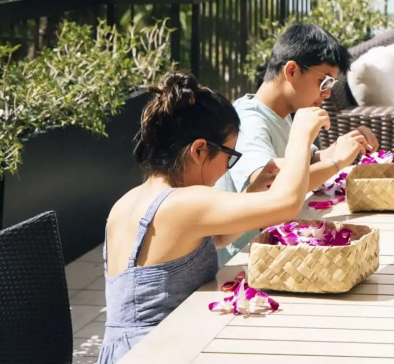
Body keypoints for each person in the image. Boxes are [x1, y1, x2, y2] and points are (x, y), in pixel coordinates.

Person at [100, 72, 326, 364]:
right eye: (229, 156)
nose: (227, 168)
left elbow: (215, 237)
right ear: (199, 149)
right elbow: (286, 204)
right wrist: (300, 137)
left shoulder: (128, 201)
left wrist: (252, 194)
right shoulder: (183, 201)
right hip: (156, 353)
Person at [213, 22, 378, 258]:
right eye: (325, 81)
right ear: (291, 71)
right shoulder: (249, 122)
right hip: (246, 259)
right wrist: (336, 163)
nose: (328, 93)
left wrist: (346, 145)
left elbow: (306, 161)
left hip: (276, 249)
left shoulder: (282, 114)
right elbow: (272, 186)